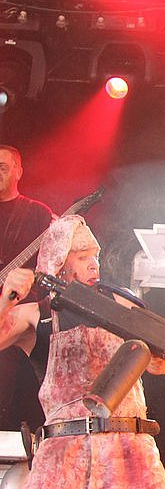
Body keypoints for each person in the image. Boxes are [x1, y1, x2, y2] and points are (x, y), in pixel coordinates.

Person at [0, 215, 165, 489]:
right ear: (58, 262)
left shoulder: (119, 305)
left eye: (96, 256)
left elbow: (162, 364)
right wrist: (7, 296)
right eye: (82, 256)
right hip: (64, 458)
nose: (94, 264)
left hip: (129, 454)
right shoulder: (38, 316)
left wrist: (147, 338)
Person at [0, 145, 54, 432]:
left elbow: (53, 265)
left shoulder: (36, 213)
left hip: (18, 321)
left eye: (2, 167)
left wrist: (28, 279)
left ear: (18, 171)